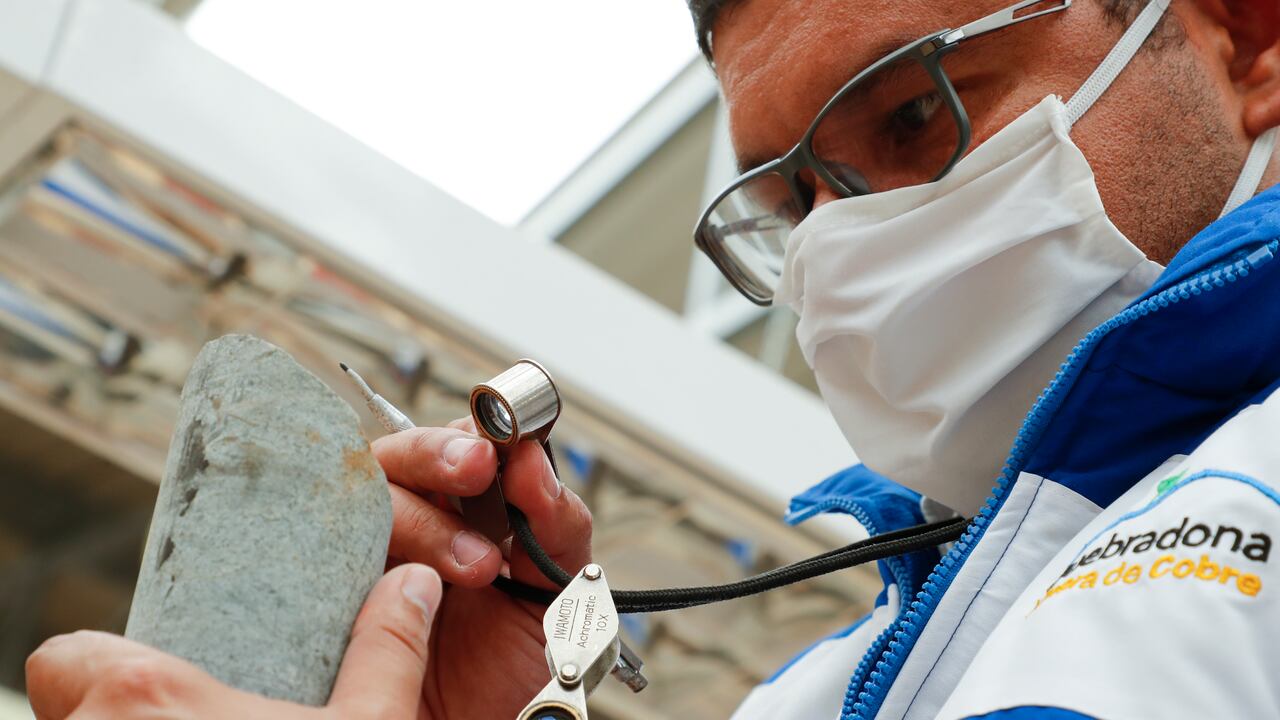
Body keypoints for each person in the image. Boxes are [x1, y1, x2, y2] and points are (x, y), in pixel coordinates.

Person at [24, 0, 1280, 717]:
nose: (847, 248)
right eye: (798, 203)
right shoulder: (814, 687)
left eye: (914, 113)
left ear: (1245, 39)